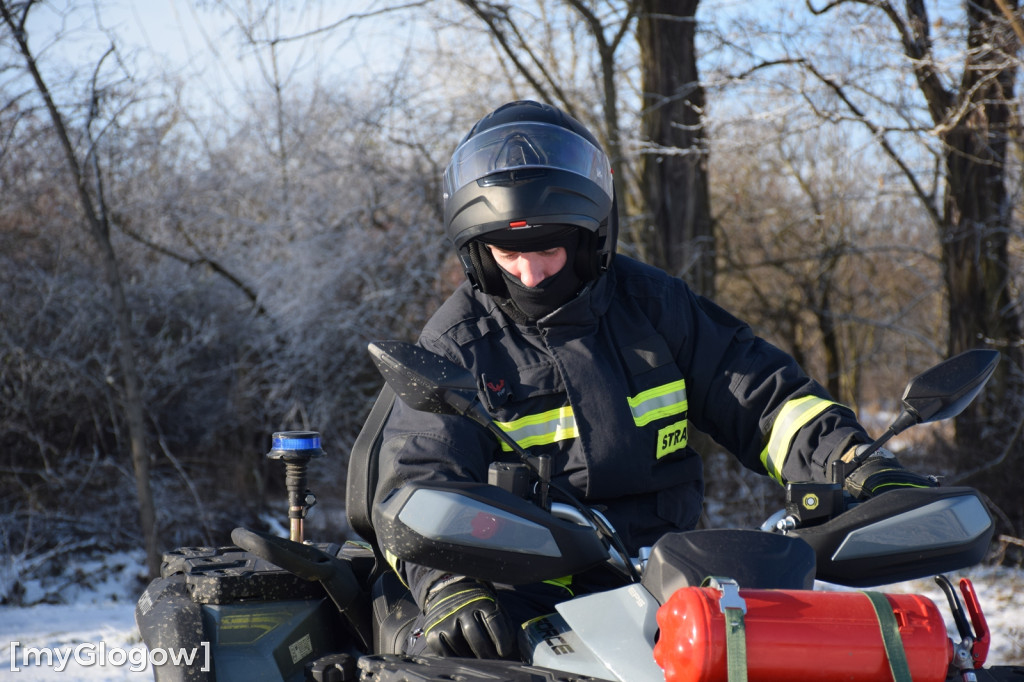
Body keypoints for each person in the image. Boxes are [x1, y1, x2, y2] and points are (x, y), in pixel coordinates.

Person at [371, 99, 934, 660]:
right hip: (525, 597)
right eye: (508, 252)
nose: (531, 272)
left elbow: (766, 400)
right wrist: (448, 586)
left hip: (669, 582)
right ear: (478, 252)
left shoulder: (656, 305)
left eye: (548, 248)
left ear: (590, 236)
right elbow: (419, 479)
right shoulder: (457, 345)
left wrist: (857, 464)